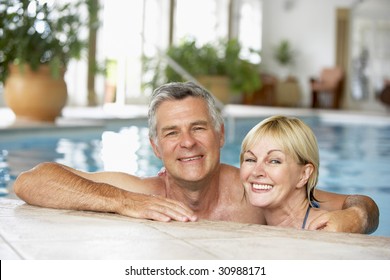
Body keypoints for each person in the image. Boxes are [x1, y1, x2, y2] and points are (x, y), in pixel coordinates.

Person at [13, 82, 379, 233]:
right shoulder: (144, 193)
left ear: (221, 135)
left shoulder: (255, 188)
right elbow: (31, 180)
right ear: (156, 147)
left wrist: (356, 215)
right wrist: (123, 202)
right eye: (172, 132)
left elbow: (359, 203)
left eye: (199, 128)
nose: (187, 142)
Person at [240, 115, 328, 230]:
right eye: (250, 159)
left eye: (274, 161)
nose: (256, 172)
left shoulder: (322, 229)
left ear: (304, 174)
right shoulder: (249, 218)